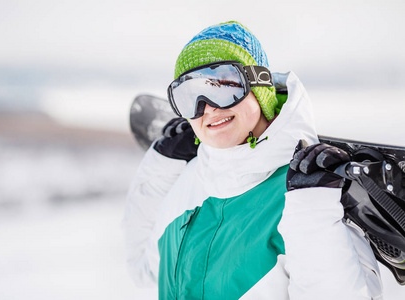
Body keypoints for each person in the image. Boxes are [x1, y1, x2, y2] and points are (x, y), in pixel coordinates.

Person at [123, 21, 383, 299]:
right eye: (189, 96)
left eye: (222, 85)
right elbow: (141, 267)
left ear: (259, 85)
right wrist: (162, 164)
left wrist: (315, 218)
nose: (207, 108)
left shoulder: (310, 197)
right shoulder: (189, 178)